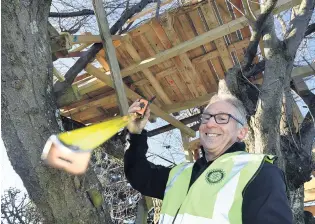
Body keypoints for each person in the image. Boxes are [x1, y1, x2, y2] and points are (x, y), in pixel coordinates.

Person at [124, 94, 293, 224]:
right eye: (206, 117)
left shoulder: (259, 172)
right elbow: (138, 174)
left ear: (242, 132)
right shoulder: (181, 173)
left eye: (222, 118)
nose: (210, 124)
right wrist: (135, 133)